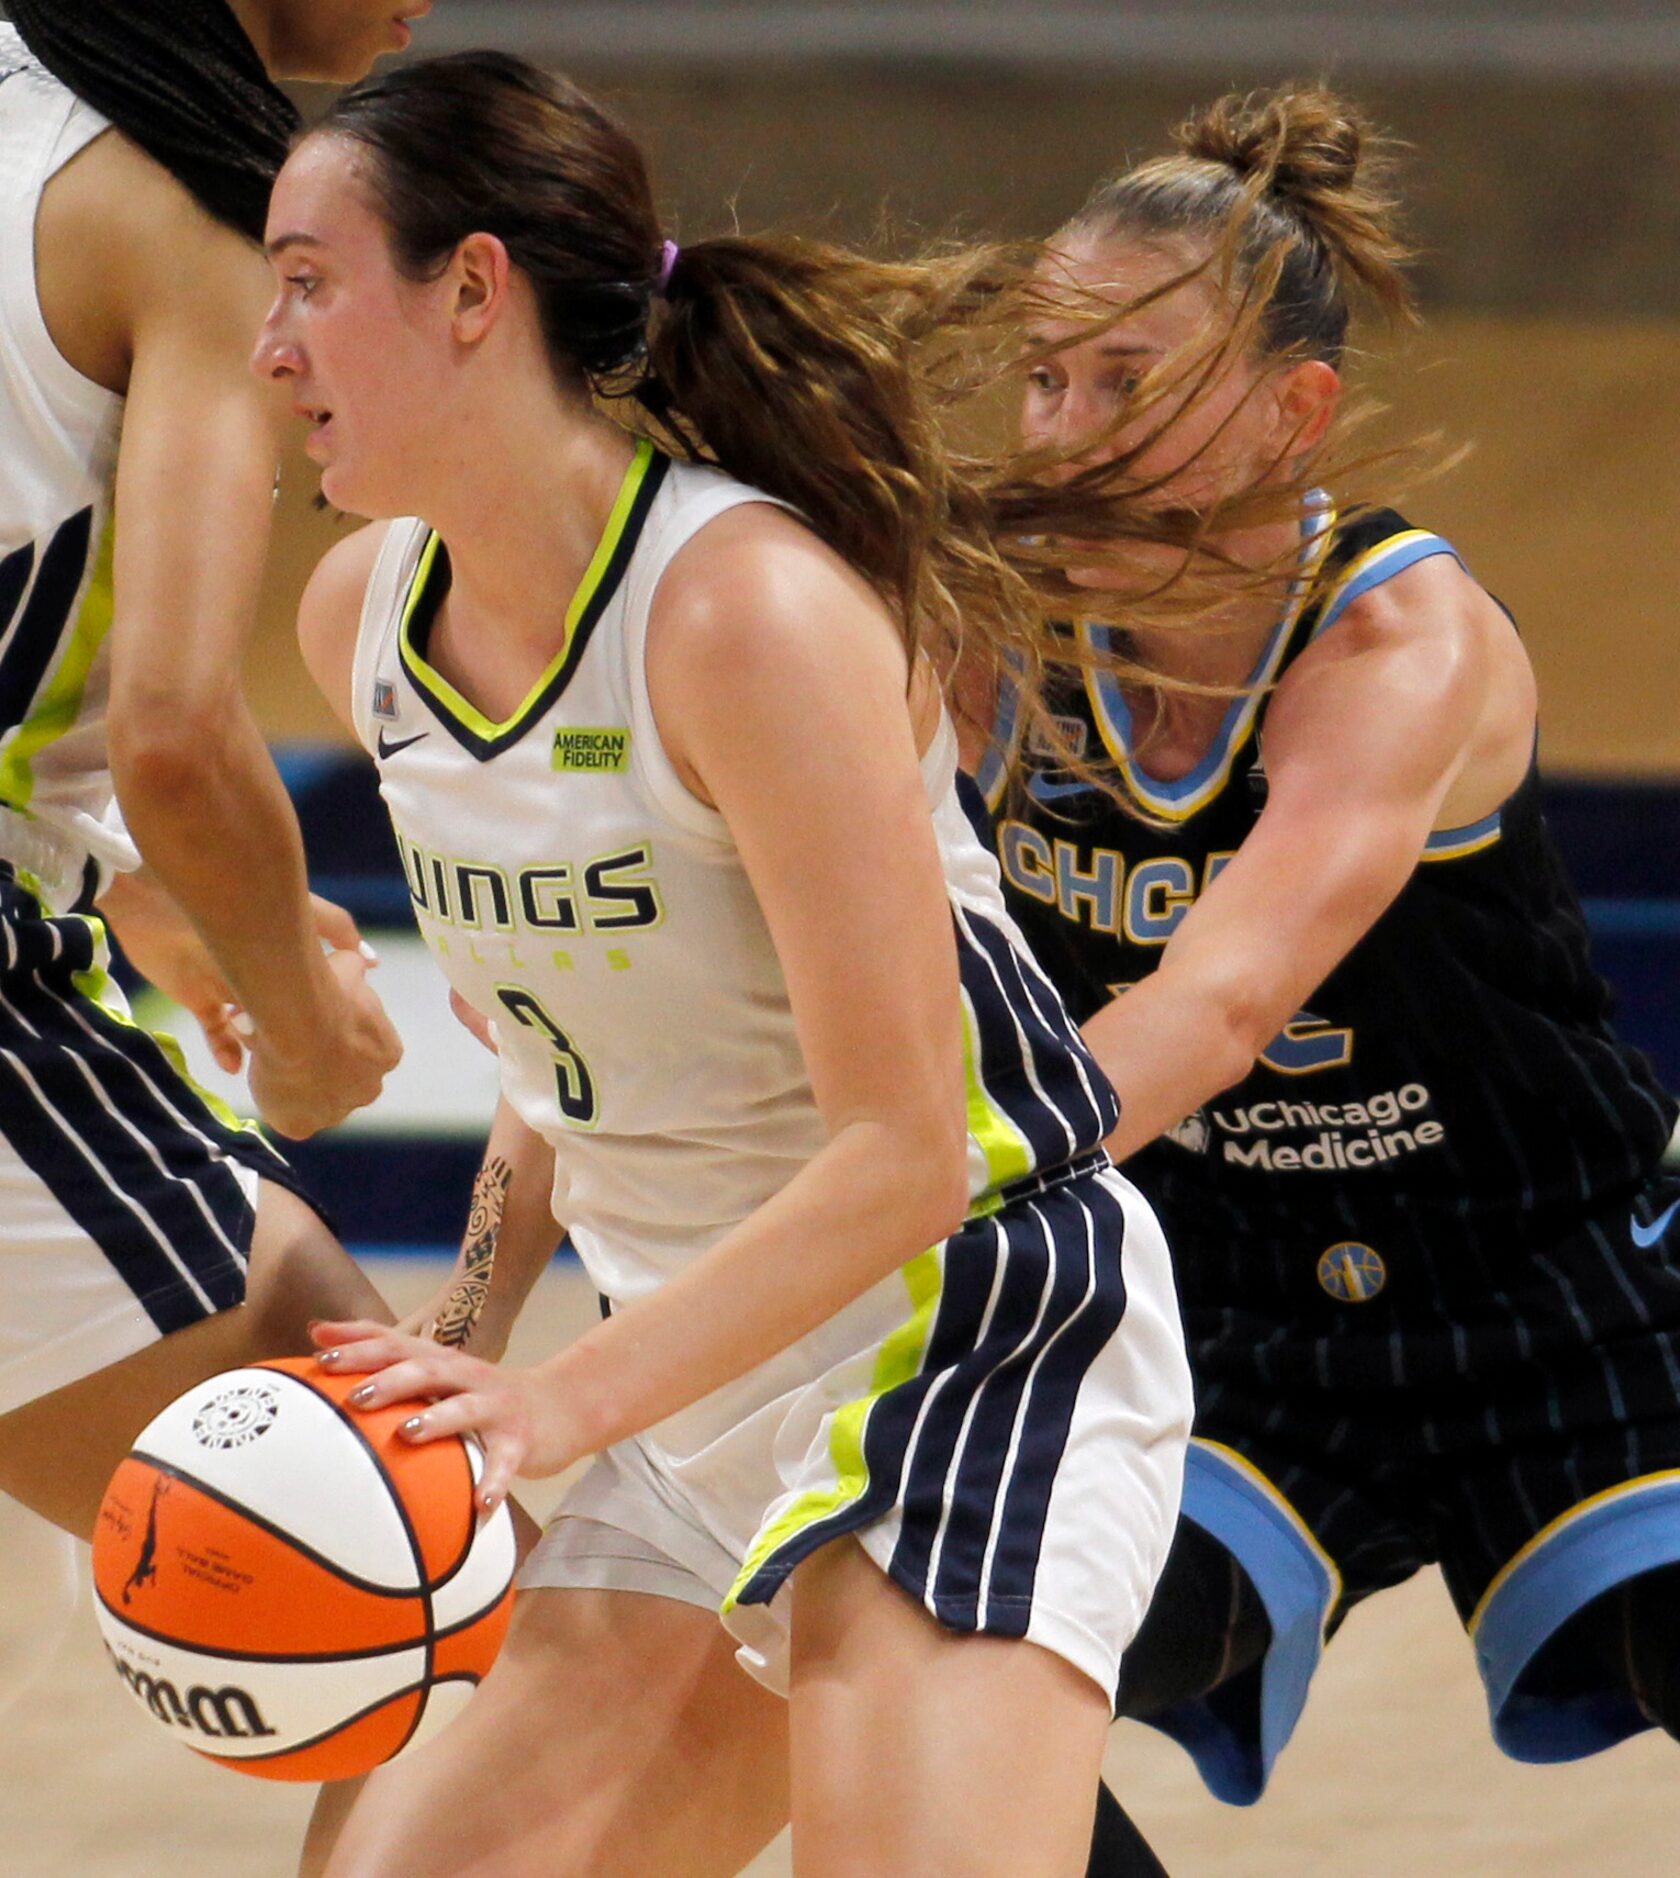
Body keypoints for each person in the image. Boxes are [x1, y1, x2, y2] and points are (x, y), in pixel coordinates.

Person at [255, 49, 1194, 1877]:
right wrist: (462, 1347)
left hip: (961, 1348)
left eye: (308, 279)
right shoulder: (363, 619)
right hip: (697, 1375)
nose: (270, 343)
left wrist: (555, 1403)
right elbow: (550, 1062)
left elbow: (912, 1148)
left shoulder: (739, 612)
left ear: (471, 292)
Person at [960, 83, 1680, 1850]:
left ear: (1297, 414)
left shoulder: (1395, 635)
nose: (1063, 430)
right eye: (1048, 376)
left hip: (1562, 1267)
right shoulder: (982, 638)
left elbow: (1216, 1004)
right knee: (952, 1666)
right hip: (1233, 1306)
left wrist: (923, 1178)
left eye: (1128, 383)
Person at [0, 0, 413, 1544]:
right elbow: (180, 734)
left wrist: (111, 872)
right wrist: (300, 1035)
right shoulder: (172, 203)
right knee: (399, 1545)